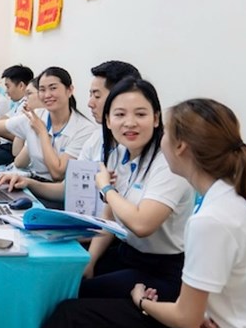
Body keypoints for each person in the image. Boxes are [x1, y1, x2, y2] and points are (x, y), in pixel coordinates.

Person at [27, 98, 246, 328]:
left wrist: (140, 301)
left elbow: (186, 317)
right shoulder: (230, 198)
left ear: (180, 145)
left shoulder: (211, 219)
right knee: (75, 316)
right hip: (217, 327)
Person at [77, 78, 195, 300]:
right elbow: (109, 216)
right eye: (120, 115)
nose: (130, 123)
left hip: (160, 271)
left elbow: (142, 224)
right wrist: (90, 261)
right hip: (126, 255)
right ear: (108, 121)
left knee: (75, 296)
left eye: (140, 114)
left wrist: (106, 189)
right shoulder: (119, 153)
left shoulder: (168, 162)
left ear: (156, 119)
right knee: (64, 279)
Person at [0, 61, 141, 206]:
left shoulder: (152, 155)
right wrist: (28, 183)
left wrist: (107, 189)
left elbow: (140, 224)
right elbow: (68, 189)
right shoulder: (96, 139)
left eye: (97, 96)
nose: (90, 103)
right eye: (90, 95)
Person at [9, 67, 96, 181]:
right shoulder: (38, 116)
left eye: (53, 88)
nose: (47, 95)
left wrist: (42, 133)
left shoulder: (86, 129)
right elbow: (19, 161)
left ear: (69, 90)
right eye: (42, 90)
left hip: (54, 191)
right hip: (34, 181)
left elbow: (57, 174)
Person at [0, 64, 35, 166]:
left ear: (21, 86)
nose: (6, 91)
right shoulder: (18, 104)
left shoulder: (27, 106)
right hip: (5, 146)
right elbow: (2, 120)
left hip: (12, 150)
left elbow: (15, 135)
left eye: (8, 86)